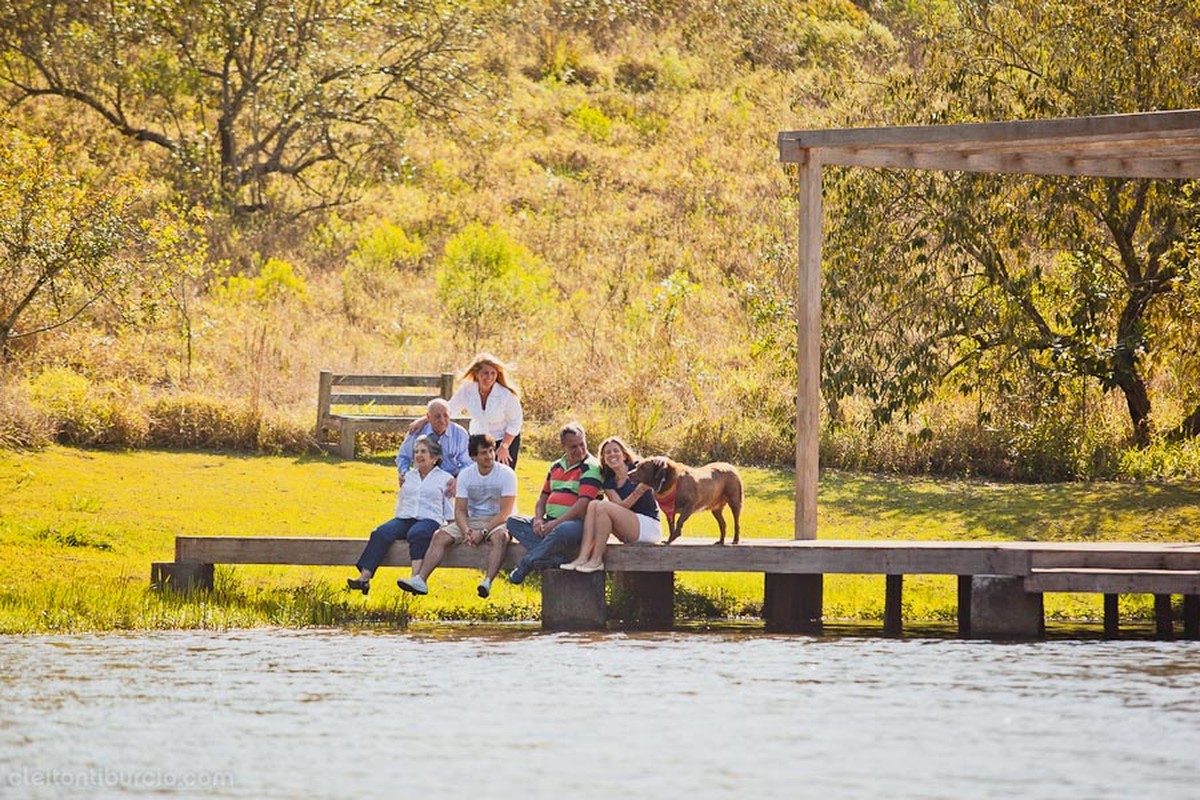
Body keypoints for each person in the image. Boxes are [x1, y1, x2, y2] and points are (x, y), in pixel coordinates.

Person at [398, 434, 517, 599]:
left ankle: (487, 581)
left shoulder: (506, 474)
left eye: (491, 451)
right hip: (472, 519)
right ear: (474, 457)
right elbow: (459, 510)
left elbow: (505, 512)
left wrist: (482, 532)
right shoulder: (466, 475)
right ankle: (420, 580)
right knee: (439, 536)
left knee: (501, 538)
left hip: (498, 520)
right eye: (484, 453)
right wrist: (466, 531)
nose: (489, 456)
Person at [346, 435, 453, 595]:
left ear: (435, 457)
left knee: (417, 533)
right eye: (416, 452)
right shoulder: (409, 476)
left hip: (430, 519)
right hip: (405, 517)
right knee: (381, 533)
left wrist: (450, 525)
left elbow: (449, 506)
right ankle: (364, 579)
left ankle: (416, 578)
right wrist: (396, 521)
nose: (419, 455)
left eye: (423, 451)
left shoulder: (445, 479)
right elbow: (402, 500)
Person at [505, 423, 602, 584]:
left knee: (562, 530)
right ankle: (554, 558)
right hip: (550, 522)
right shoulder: (556, 466)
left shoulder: (591, 467)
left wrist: (556, 523)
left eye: (582, 444)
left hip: (578, 524)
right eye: (573, 447)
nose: (579, 450)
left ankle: (527, 562)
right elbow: (542, 498)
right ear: (563, 446)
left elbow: (582, 505)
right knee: (513, 522)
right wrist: (538, 519)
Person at [561, 436, 662, 572]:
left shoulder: (639, 469)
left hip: (648, 527)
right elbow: (620, 507)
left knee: (599, 505)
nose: (612, 455)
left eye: (616, 451)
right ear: (604, 459)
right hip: (627, 529)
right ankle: (583, 557)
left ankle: (596, 560)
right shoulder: (609, 482)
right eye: (607, 453)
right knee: (594, 505)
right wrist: (638, 492)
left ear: (624, 455)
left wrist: (640, 490)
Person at [409, 353, 523, 468]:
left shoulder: (506, 395)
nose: (489, 377)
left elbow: (516, 421)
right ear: (476, 374)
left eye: (493, 373)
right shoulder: (467, 390)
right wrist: (423, 420)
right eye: (485, 373)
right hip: (477, 438)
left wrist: (504, 446)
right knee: (476, 475)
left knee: (502, 477)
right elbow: (449, 409)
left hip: (504, 440)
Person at [396, 398, 470, 495]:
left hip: (450, 481)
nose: (442, 420)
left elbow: (467, 463)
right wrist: (405, 475)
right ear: (428, 417)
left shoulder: (460, 434)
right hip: (422, 479)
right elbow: (403, 456)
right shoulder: (417, 431)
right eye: (437, 416)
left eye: (445, 415)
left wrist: (458, 481)